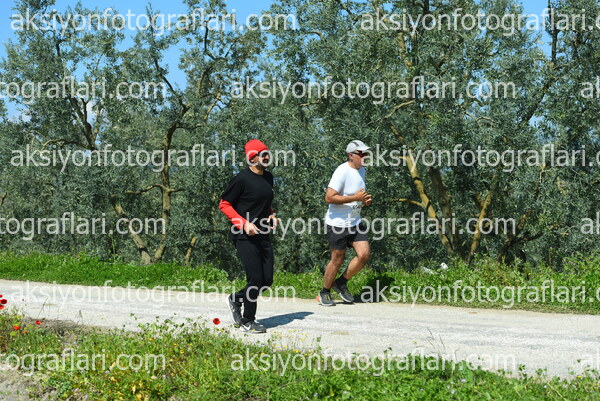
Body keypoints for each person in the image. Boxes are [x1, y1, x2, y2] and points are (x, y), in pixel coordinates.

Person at [219, 139, 278, 333]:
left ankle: (236, 299)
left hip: (262, 233)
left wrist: (271, 214)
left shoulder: (268, 177)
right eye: (263, 154)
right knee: (255, 278)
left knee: (266, 280)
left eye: (267, 153)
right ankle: (248, 320)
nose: (267, 157)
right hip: (242, 235)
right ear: (252, 157)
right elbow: (224, 204)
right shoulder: (241, 179)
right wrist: (243, 223)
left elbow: (264, 202)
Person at [319, 140, 372, 306]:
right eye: (362, 153)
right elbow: (329, 198)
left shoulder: (362, 170)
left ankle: (341, 283)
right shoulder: (341, 171)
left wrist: (364, 201)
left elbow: (357, 197)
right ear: (351, 155)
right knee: (337, 259)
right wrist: (355, 198)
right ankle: (324, 291)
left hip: (355, 222)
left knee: (364, 254)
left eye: (366, 153)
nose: (365, 156)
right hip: (338, 224)